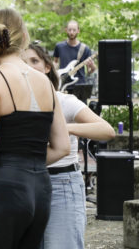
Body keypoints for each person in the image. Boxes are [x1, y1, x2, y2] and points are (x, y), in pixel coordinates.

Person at [0, 8, 70, 249]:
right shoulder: (45, 81)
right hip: (40, 188)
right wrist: (29, 164)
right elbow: (62, 147)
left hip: (4, 185)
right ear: (24, 36)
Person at [25, 43, 115, 249]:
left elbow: (107, 130)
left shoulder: (64, 100)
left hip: (62, 183)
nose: (28, 67)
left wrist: (66, 128)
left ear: (48, 67)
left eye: (34, 61)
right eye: (23, 62)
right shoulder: (13, 102)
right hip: (26, 183)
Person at [53, 20, 96, 91]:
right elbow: (55, 62)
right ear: (66, 30)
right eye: (69, 30)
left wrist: (92, 66)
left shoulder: (85, 49)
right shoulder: (59, 46)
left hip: (79, 86)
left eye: (74, 30)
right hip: (63, 85)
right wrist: (54, 73)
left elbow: (89, 71)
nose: (71, 32)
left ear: (78, 31)